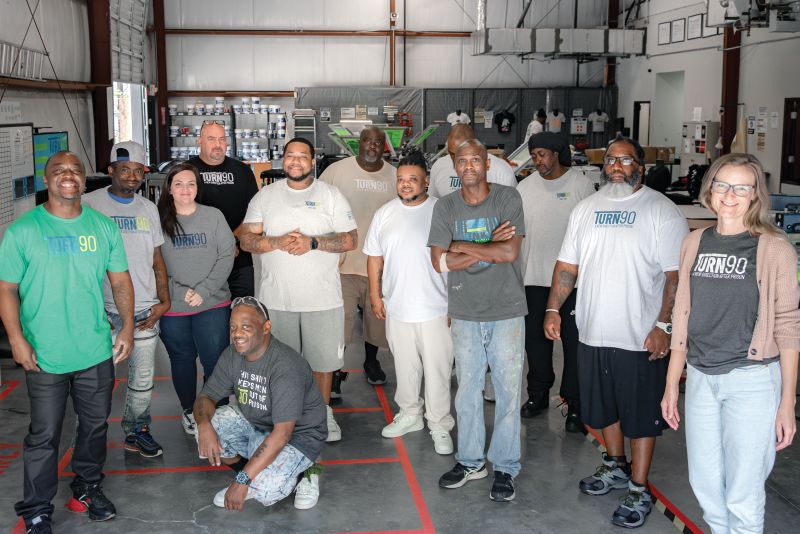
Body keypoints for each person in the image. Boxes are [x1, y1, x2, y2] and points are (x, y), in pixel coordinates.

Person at [544, 136, 688, 528]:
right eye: (611, 160)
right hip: (592, 332)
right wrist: (553, 307)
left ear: (640, 164)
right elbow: (567, 265)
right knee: (603, 408)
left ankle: (639, 488)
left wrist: (664, 326)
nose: (617, 166)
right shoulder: (586, 209)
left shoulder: (661, 210)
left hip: (640, 337)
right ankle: (616, 466)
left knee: (641, 417)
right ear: (602, 165)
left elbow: (676, 277)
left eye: (626, 159)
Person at [661, 153, 799, 533]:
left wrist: (786, 403)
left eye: (742, 187)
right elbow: (682, 316)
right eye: (722, 185)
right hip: (702, 378)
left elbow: (788, 326)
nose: (730, 195)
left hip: (752, 380)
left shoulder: (774, 248)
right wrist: (672, 383)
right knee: (705, 484)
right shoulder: (694, 242)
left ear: (755, 194)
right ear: (710, 189)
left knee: (743, 491)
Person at [0, 151, 134, 532]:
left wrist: (125, 327)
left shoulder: (103, 227)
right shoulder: (23, 230)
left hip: (94, 349)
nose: (68, 176)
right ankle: (38, 508)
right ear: (47, 180)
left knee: (93, 428)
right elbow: (6, 288)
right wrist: (16, 340)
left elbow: (120, 280)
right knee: (44, 435)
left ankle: (87, 487)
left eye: (75, 170)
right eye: (59, 170)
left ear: (84, 179)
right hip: (44, 353)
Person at [239, 137, 358, 448]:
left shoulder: (330, 195)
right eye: (290, 155)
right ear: (283, 160)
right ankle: (286, 418)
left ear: (312, 162)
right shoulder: (266, 196)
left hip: (322, 298)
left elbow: (350, 240)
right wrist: (277, 242)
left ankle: (321, 414)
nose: (295, 161)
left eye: (302, 156)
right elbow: (246, 240)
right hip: (277, 300)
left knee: (322, 364)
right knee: (283, 366)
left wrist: (313, 243)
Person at [428, 139, 527, 502]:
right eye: (462, 160)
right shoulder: (446, 206)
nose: (468, 166)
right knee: (467, 392)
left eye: (475, 159)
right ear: (454, 166)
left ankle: (505, 466)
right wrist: (486, 242)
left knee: (506, 392)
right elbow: (438, 263)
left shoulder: (507, 199)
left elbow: (510, 251)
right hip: (466, 312)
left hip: (507, 311)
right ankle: (471, 462)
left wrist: (459, 246)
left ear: (487, 164)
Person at [194, 297, 327, 511]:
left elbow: (283, 433)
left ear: (266, 328)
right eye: (233, 327)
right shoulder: (233, 354)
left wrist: (242, 482)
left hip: (299, 437)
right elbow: (206, 396)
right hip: (260, 424)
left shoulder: (285, 366)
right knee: (209, 425)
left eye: (246, 327)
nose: (237, 334)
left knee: (267, 487)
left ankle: (308, 472)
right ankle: (251, 476)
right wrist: (203, 425)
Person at [363, 151, 455, 454]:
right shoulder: (384, 213)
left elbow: (456, 258)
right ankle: (410, 415)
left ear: (425, 181)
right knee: (405, 367)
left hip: (436, 307)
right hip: (397, 307)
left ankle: (440, 424)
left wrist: (456, 302)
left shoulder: (442, 210)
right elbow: (375, 258)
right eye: (401, 179)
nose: (405, 184)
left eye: (412, 179)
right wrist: (376, 295)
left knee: (438, 369)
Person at [83, 141, 170, 458]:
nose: (132, 176)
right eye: (125, 169)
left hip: (145, 310)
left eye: (138, 170)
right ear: (110, 170)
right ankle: (90, 439)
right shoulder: (88, 205)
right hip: (102, 312)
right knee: (96, 383)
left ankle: (136, 431)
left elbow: (157, 260)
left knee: (143, 382)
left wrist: (164, 300)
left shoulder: (148, 209)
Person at [428, 124, 518, 402]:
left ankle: (490, 376)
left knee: (496, 343)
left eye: (470, 156)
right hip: (457, 273)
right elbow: (440, 256)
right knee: (460, 325)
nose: (462, 163)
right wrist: (484, 245)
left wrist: (466, 245)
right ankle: (470, 367)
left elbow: (508, 243)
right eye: (455, 155)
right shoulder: (440, 168)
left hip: (497, 279)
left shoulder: (503, 174)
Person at [516, 132, 595, 429]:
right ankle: (537, 393)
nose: (538, 161)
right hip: (533, 277)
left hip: (573, 283)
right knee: (535, 343)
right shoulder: (524, 188)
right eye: (534, 155)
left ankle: (574, 403)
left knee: (574, 345)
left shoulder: (581, 185)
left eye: (543, 154)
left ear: (558, 153)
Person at [157, 162, 235, 436]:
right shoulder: (158, 220)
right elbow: (152, 264)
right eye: (178, 184)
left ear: (197, 188)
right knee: (182, 359)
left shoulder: (213, 216)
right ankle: (190, 411)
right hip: (173, 306)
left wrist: (204, 289)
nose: (185, 189)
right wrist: (177, 292)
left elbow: (227, 254)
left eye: (191, 183)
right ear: (169, 189)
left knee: (214, 359)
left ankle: (218, 409)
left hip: (212, 302)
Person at [319, 127, 396, 393]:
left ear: (384, 146)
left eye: (378, 142)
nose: (372, 146)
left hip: (379, 266)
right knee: (341, 321)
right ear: (358, 143)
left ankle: (371, 362)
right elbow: (318, 205)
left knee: (376, 321)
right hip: (343, 264)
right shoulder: (337, 171)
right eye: (367, 140)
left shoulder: (394, 176)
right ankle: (336, 370)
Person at [189, 120, 258, 298]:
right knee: (208, 317)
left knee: (243, 315)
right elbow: (178, 214)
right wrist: (212, 247)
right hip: (200, 261)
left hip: (239, 259)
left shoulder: (243, 171)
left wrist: (231, 243)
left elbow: (255, 214)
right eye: (211, 139)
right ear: (200, 141)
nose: (218, 144)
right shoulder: (186, 171)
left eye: (222, 139)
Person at [428, 124, 518, 199]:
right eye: (452, 153)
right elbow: (432, 205)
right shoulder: (439, 166)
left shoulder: (501, 171)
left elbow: (513, 212)